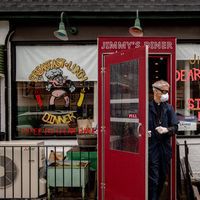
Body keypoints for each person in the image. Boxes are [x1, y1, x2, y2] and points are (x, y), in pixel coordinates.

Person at [148, 80, 178, 200]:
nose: (166, 94)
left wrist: (166, 130)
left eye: (167, 91)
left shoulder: (169, 108)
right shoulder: (147, 108)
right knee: (153, 178)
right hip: (152, 147)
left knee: (161, 177)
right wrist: (145, 132)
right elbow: (138, 126)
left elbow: (175, 127)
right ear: (155, 91)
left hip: (164, 148)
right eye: (164, 91)